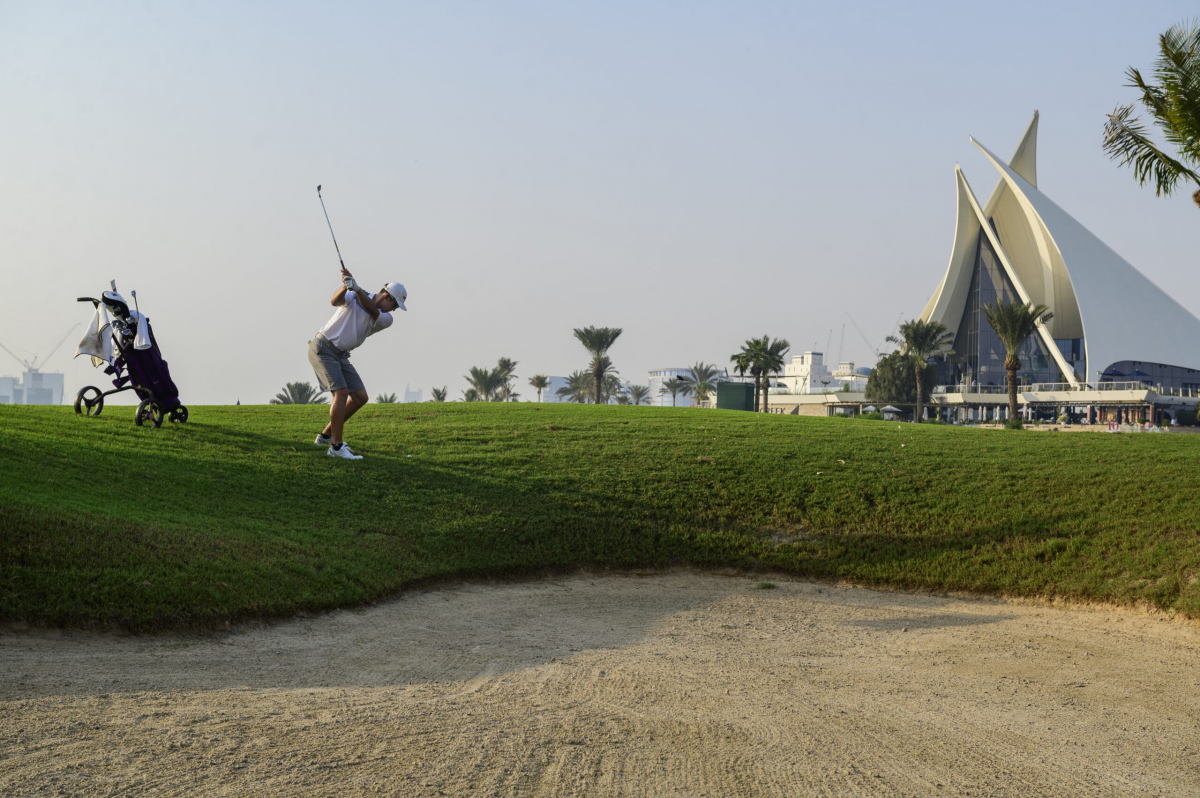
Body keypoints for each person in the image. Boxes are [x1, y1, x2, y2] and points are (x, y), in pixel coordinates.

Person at [308, 267, 406, 459]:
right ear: (388, 297)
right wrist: (346, 286)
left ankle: (326, 435)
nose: (395, 310)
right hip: (323, 348)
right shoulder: (353, 295)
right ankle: (336, 448)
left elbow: (371, 310)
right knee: (342, 393)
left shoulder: (386, 319)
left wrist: (356, 288)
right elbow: (334, 301)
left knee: (360, 397)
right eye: (395, 305)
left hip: (341, 355)